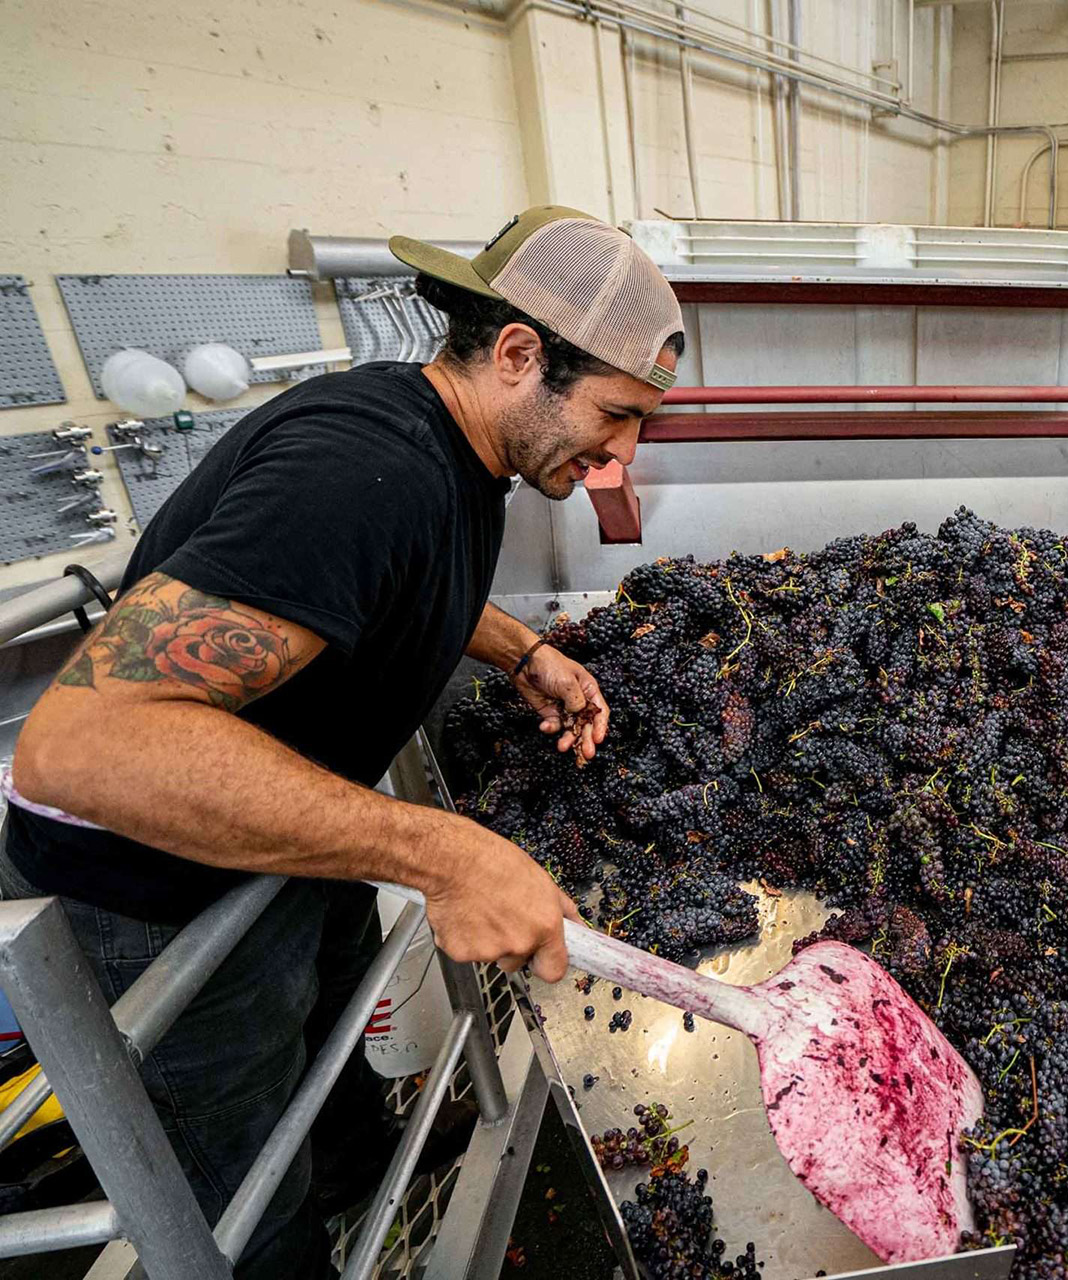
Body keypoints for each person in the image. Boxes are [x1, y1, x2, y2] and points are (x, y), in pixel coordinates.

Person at [2, 205, 685, 1277]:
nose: (623, 450)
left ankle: (379, 1184)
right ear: (518, 354)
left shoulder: (453, 453)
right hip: (157, 899)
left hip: (284, 838)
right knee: (245, 1193)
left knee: (335, 1075)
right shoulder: (360, 471)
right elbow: (79, 750)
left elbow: (373, 589)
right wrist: (442, 851)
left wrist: (517, 651)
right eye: (617, 411)